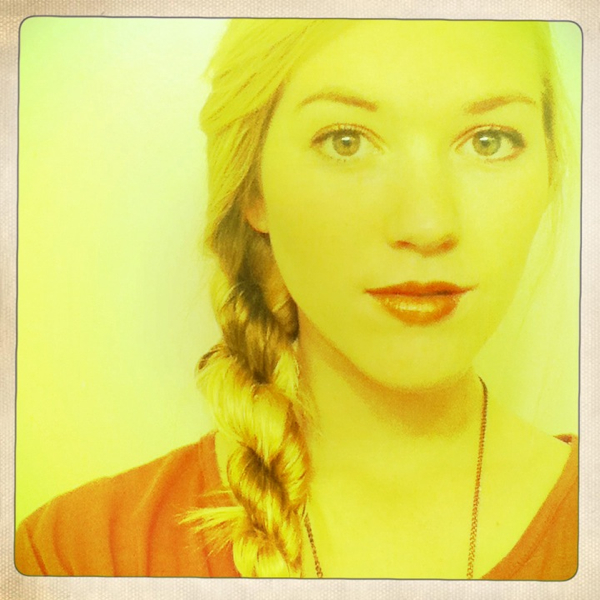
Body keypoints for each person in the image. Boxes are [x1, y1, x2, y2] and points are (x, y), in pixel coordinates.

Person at [15, 19, 578, 580]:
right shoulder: (78, 558)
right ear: (253, 187)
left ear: (550, 174)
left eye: (488, 141)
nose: (427, 224)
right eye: (345, 141)